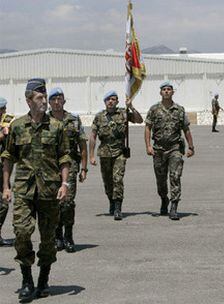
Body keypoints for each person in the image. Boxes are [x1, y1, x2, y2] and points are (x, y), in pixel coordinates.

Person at [1, 78, 71, 301]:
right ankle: (26, 280)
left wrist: (65, 184)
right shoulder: (18, 126)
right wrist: (5, 186)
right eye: (40, 97)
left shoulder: (57, 126)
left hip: (49, 190)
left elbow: (65, 157)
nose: (44, 101)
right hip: (24, 189)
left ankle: (43, 280)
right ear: (28, 100)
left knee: (48, 238)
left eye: (44, 97)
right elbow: (8, 156)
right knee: (21, 232)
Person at [89, 90, 143, 221]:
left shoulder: (123, 113)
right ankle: (111, 201)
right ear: (105, 102)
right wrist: (91, 155)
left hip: (119, 152)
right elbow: (93, 136)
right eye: (108, 99)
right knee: (107, 182)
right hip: (104, 153)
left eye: (113, 99)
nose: (110, 101)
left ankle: (118, 207)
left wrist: (131, 107)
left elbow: (139, 120)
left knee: (117, 179)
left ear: (117, 101)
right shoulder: (99, 116)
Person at [145, 81, 194, 220]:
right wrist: (148, 146)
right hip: (158, 149)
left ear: (173, 92)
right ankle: (163, 199)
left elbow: (186, 129)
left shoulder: (179, 109)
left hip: (175, 148)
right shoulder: (154, 109)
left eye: (169, 89)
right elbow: (148, 127)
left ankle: (174, 206)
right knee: (160, 180)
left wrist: (191, 147)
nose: (166, 91)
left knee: (175, 176)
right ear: (160, 92)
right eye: (164, 89)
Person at [48, 88, 88, 252]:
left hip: (70, 164)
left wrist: (84, 168)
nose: (57, 102)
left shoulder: (73, 120)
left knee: (68, 202)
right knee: (54, 203)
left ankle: (68, 235)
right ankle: (57, 236)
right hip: (49, 166)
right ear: (49, 102)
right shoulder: (44, 120)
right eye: (53, 99)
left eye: (59, 98)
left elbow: (82, 145)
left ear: (64, 101)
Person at [0, 97, 14, 247]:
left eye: (4, 109)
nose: (3, 112)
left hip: (3, 170)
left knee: (4, 203)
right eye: (1, 110)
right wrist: (3, 135)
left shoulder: (7, 123)